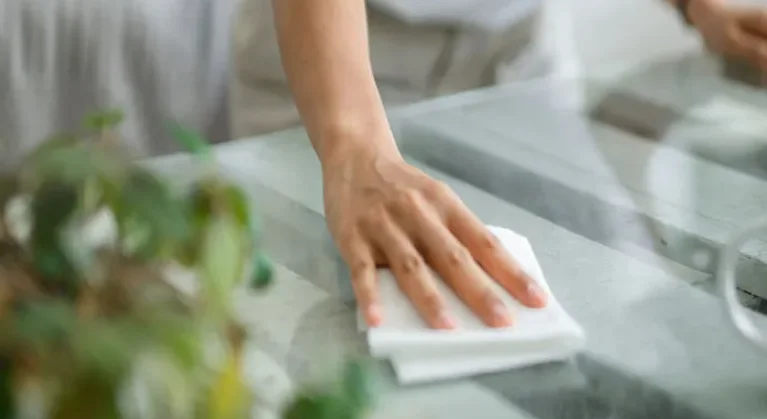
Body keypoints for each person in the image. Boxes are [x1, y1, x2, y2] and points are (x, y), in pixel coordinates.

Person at [1, 0, 766, 330]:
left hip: (513, 48)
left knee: (610, 313)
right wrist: (353, 145)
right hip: (336, 53)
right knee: (352, 342)